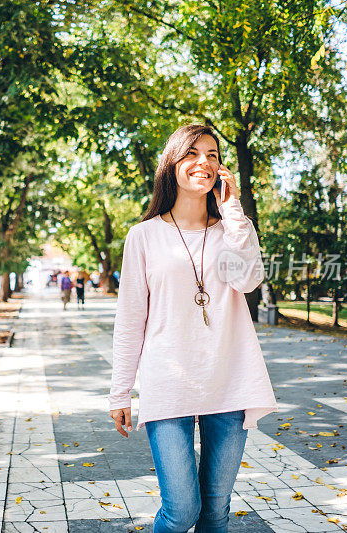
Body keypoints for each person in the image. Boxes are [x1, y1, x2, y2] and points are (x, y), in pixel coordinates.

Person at [108, 124, 277, 533]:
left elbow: (249, 280)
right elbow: (131, 318)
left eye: (213, 155)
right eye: (193, 153)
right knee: (182, 510)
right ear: (173, 163)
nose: (204, 161)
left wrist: (234, 211)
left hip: (231, 378)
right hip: (169, 382)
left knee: (216, 511)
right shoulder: (143, 236)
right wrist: (120, 390)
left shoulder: (232, 230)